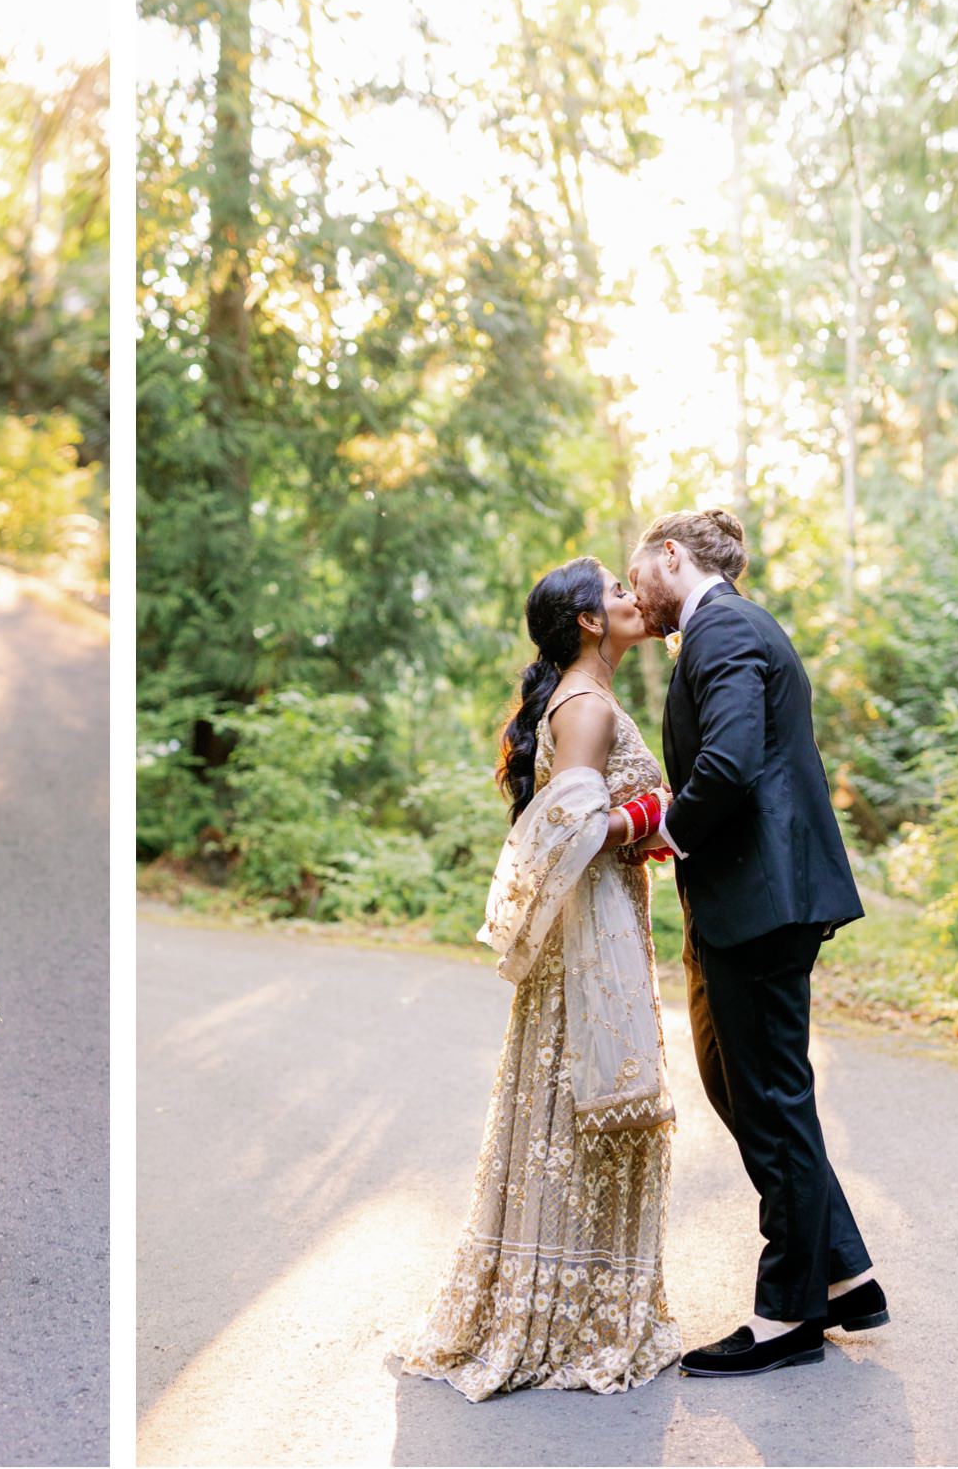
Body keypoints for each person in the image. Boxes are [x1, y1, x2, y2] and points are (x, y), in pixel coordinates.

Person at [402, 556, 680, 1400]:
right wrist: (656, 811)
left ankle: (566, 1292)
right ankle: (572, 1311)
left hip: (593, 920)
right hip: (591, 931)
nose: (635, 599)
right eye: (619, 592)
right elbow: (569, 831)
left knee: (570, 1096)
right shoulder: (587, 705)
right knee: (587, 1099)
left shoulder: (579, 696)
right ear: (591, 622)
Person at [627, 507, 886, 1378]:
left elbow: (731, 762)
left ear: (673, 556)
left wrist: (667, 828)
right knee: (739, 1087)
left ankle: (786, 1317)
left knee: (769, 1097)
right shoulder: (721, 628)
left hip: (764, 900)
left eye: (638, 577)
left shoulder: (724, 627)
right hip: (749, 899)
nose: (634, 597)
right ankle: (846, 1275)